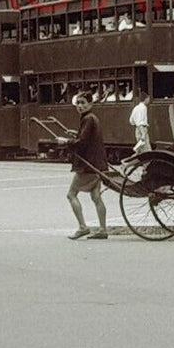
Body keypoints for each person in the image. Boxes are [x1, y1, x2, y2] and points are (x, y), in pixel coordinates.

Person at [65, 92, 109, 240]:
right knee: (96, 197)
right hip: (99, 163)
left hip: (88, 165)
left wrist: (65, 142)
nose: (80, 106)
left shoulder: (88, 119)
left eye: (83, 103)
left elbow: (82, 143)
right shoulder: (92, 118)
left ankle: (83, 227)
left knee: (71, 194)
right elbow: (86, 137)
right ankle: (102, 229)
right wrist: (75, 134)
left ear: (91, 104)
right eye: (78, 103)